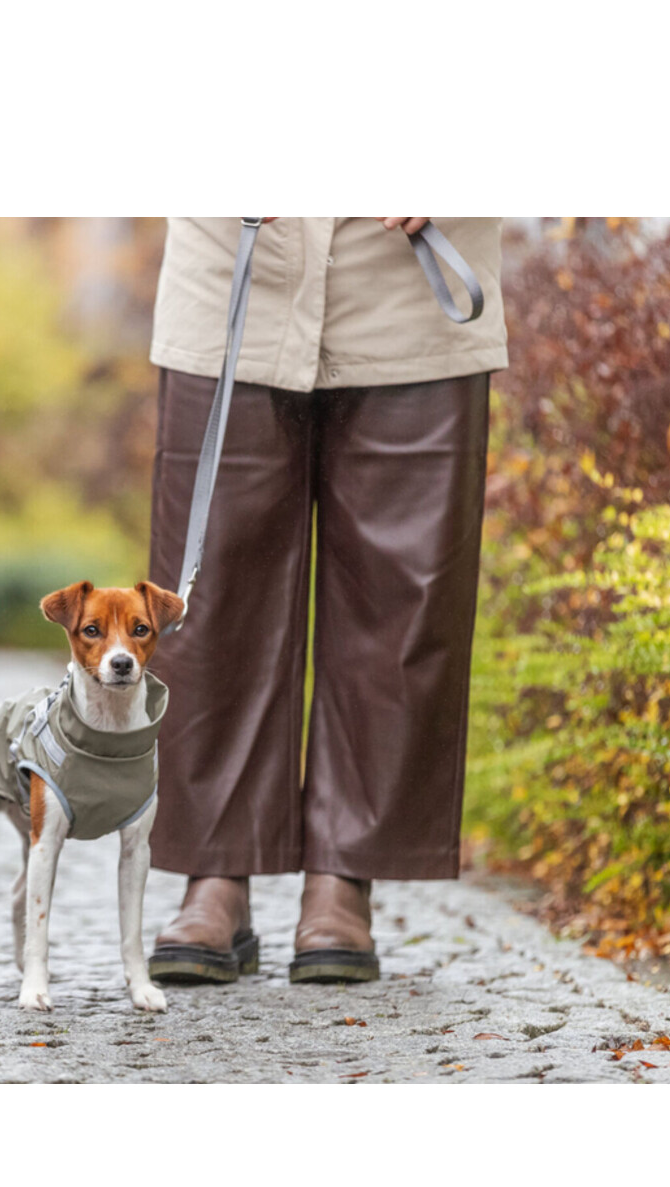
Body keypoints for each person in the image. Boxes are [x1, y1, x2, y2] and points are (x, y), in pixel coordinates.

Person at [144, 216, 508, 984]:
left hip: (408, 284)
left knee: (400, 600)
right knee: (212, 598)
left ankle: (345, 875)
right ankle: (214, 870)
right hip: (233, 268)